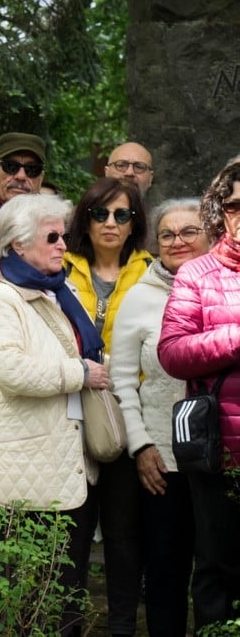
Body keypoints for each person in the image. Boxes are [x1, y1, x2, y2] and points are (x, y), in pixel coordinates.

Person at [0, 193, 107, 636]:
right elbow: (13, 372)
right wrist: (79, 372)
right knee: (21, 602)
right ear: (18, 245)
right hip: (23, 474)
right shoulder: (1, 301)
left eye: (62, 235)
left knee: (64, 597)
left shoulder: (55, 293)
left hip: (68, 467)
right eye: (52, 236)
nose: (63, 244)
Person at [110, 198, 210, 636]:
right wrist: (141, 445)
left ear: (210, 237)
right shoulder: (140, 296)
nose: (178, 241)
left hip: (223, 453)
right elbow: (122, 379)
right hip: (163, 458)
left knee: (219, 566)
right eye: (167, 234)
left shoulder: (229, 286)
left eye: (189, 232)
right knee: (166, 570)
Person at [62, 176, 150, 637]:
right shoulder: (60, 266)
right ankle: (68, 626)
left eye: (122, 214)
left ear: (135, 222)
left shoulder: (153, 271)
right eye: (100, 213)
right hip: (71, 416)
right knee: (74, 534)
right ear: (86, 218)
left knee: (122, 535)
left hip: (127, 417)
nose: (110, 223)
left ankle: (121, 628)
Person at [158, 161, 240, 631]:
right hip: (219, 450)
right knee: (216, 570)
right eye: (236, 206)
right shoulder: (197, 274)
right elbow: (172, 353)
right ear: (220, 211)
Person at [0, 132, 47, 255]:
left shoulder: (51, 220)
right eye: (11, 166)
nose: (21, 176)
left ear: (41, 179)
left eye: (32, 169)